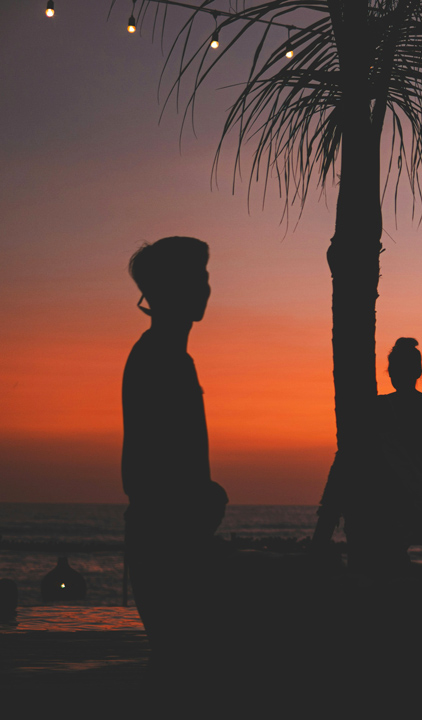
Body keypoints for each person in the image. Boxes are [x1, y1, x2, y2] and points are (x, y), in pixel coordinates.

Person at [121, 236, 228, 676]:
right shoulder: (162, 359)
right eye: (198, 278)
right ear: (169, 288)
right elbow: (144, 469)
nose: (206, 288)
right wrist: (199, 503)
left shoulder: (167, 356)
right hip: (168, 544)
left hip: (167, 539)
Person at [346, 337, 422, 577]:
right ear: (418, 372)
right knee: (406, 545)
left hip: (389, 487)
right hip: (418, 485)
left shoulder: (380, 406)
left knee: (388, 549)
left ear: (391, 372)